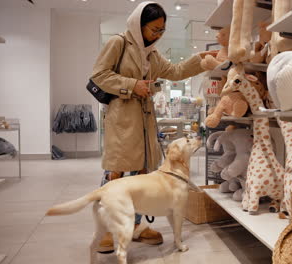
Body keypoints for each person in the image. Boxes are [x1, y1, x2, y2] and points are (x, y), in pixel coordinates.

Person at [90, 1, 217, 254]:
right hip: (122, 120)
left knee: (142, 177)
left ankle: (135, 228)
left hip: (146, 121)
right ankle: (106, 230)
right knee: (115, 175)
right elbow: (99, 75)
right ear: (139, 25)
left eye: (161, 30)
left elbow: (176, 70)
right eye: (154, 29)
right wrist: (132, 85)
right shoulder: (119, 43)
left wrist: (199, 60)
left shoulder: (152, 54)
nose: (157, 35)